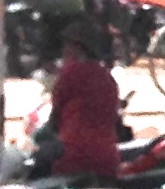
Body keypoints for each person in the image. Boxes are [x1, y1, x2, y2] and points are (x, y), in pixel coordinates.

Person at [50, 27, 123, 180]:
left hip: (73, 156)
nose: (64, 50)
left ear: (78, 48)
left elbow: (56, 112)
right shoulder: (107, 78)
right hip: (108, 159)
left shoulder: (71, 73)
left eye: (68, 46)